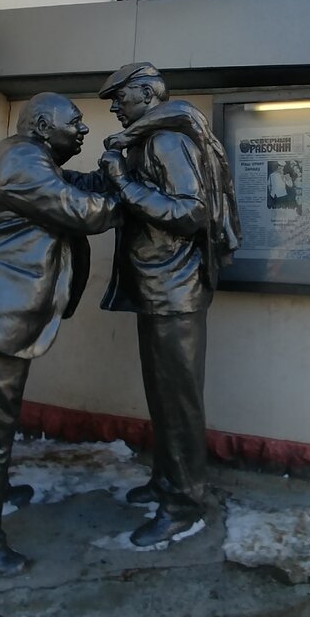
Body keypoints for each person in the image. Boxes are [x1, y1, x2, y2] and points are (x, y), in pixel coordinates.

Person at [0, 93, 118, 575]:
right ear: (41, 126)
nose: (83, 130)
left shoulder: (30, 159)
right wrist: (133, 193)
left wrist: (114, 170)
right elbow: (83, 211)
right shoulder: (21, 160)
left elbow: (75, 185)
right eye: (75, 122)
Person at [96, 62, 240, 547]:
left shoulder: (166, 141)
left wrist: (122, 182)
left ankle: (183, 503)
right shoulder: (146, 140)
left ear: (146, 94)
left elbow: (189, 212)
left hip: (175, 292)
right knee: (162, 396)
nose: (115, 108)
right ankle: (166, 480)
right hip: (158, 289)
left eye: (120, 98)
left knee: (177, 402)